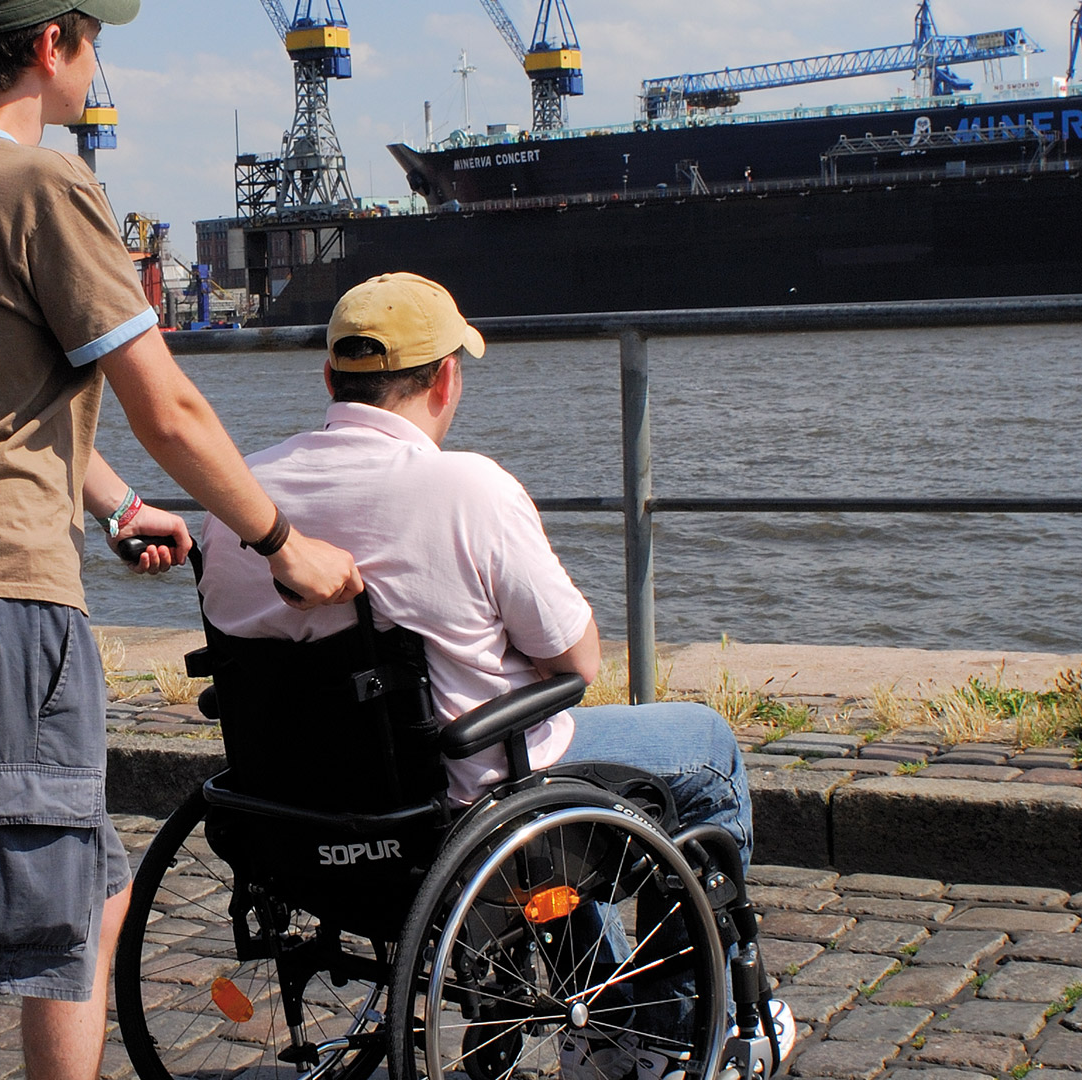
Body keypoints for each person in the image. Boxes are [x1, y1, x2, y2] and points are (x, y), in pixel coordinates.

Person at [0, 3, 361, 1078]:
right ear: (49, 45)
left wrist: (118, 506)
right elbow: (166, 404)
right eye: (93, 36)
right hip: (2, 611)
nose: (99, 60)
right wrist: (279, 542)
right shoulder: (44, 186)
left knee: (89, 889)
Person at [196, 272, 793, 1080]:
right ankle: (670, 1022)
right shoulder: (468, 488)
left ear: (330, 379)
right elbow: (579, 661)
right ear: (445, 377)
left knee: (536, 777)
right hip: (454, 816)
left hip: (298, 824)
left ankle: (611, 1012)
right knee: (703, 749)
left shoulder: (238, 504)